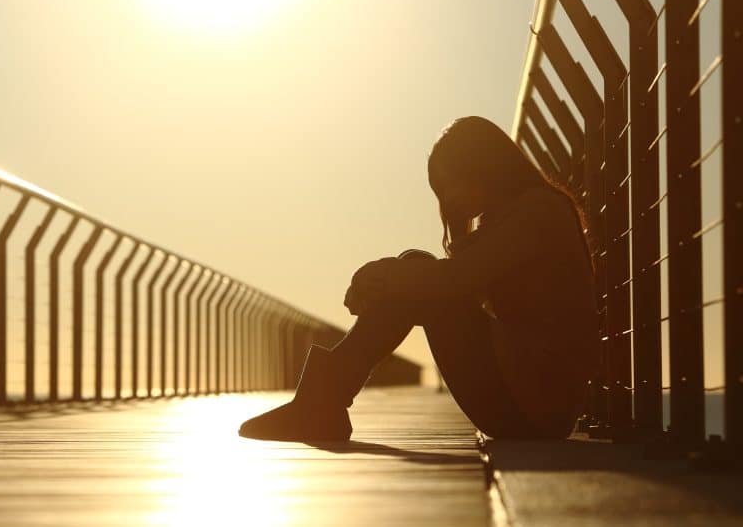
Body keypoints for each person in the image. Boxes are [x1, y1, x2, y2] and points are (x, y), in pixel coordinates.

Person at [238, 116, 597, 442]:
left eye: (450, 186)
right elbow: (456, 283)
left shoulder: (537, 212)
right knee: (416, 270)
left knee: (418, 274)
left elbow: (453, 280)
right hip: (529, 399)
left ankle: (318, 405)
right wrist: (389, 277)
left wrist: (381, 275)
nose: (448, 201)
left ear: (482, 166)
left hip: (534, 408)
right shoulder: (517, 214)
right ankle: (320, 403)